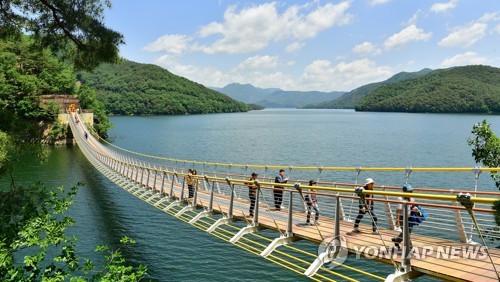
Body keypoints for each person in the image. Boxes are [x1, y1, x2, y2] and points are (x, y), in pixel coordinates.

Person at [392, 184, 421, 250]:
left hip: (409, 217)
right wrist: (397, 220)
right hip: (403, 218)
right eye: (409, 191)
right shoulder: (400, 198)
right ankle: (410, 248)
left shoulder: (411, 198)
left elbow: (412, 205)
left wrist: (416, 208)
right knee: (406, 234)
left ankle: (397, 241)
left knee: (408, 233)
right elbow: (398, 210)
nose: (411, 193)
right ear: (404, 191)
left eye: (411, 191)